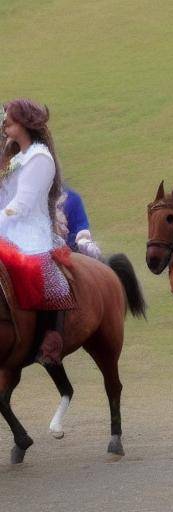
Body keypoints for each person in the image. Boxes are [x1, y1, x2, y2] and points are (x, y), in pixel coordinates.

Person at [0, 98, 71, 364]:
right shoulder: (14, 157)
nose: (5, 120)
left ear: (26, 123)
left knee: (27, 268)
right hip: (7, 227)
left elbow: (22, 204)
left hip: (29, 232)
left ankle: (47, 337)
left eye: (10, 117)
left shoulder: (40, 158)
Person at [56, 186, 102, 259]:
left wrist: (84, 241)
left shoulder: (70, 198)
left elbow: (80, 227)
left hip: (69, 250)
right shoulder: (33, 201)